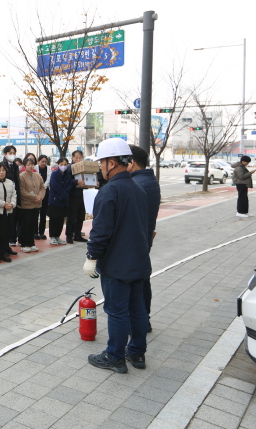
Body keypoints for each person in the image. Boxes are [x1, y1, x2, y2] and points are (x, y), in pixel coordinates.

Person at [84, 138, 150, 374]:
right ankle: (137, 353)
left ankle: (115, 356)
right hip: (139, 261)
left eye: (101, 162)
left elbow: (101, 231)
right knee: (138, 310)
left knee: (117, 312)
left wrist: (92, 257)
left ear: (111, 163)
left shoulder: (109, 191)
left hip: (117, 264)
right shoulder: (138, 188)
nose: (100, 167)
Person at [128, 145, 161, 333]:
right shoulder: (149, 180)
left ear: (131, 163)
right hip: (144, 238)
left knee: (136, 283)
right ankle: (143, 319)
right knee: (142, 280)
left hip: (135, 241)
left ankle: (139, 321)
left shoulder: (137, 184)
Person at [17, 156, 44, 252]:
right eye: (28, 165)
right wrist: (33, 197)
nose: (31, 166)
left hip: (36, 205)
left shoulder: (37, 175)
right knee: (25, 225)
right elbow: (21, 191)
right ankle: (24, 244)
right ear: (24, 166)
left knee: (33, 225)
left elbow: (42, 187)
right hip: (26, 205)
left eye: (32, 164)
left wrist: (39, 197)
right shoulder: (21, 177)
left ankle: (31, 243)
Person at [45, 157, 75, 245]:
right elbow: (55, 186)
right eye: (61, 164)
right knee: (54, 218)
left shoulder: (67, 174)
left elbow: (69, 185)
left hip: (63, 200)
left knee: (61, 219)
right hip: (55, 199)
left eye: (65, 164)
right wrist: (63, 194)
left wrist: (65, 194)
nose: (63, 166)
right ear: (58, 165)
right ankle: (52, 236)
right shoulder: (54, 174)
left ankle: (57, 236)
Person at [65, 150, 88, 243]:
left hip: (82, 194)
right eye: (76, 158)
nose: (78, 159)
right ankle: (69, 236)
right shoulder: (69, 168)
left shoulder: (84, 167)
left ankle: (78, 235)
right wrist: (76, 182)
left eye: (80, 158)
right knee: (71, 216)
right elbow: (67, 180)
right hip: (73, 195)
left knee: (81, 216)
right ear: (72, 158)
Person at [1, 145, 20, 250]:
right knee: (5, 224)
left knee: (13, 221)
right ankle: (4, 246)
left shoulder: (15, 166)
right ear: (5, 154)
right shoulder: (2, 166)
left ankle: (11, 241)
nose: (12, 155)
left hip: (14, 196)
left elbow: (17, 182)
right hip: (4, 197)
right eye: (10, 153)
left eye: (14, 153)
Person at [36, 154, 49, 240]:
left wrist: (43, 188)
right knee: (36, 214)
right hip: (36, 193)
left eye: (45, 162)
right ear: (38, 161)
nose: (44, 163)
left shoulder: (49, 169)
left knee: (43, 214)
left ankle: (42, 232)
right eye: (42, 161)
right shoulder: (35, 168)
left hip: (45, 192)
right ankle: (35, 232)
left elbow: (49, 180)